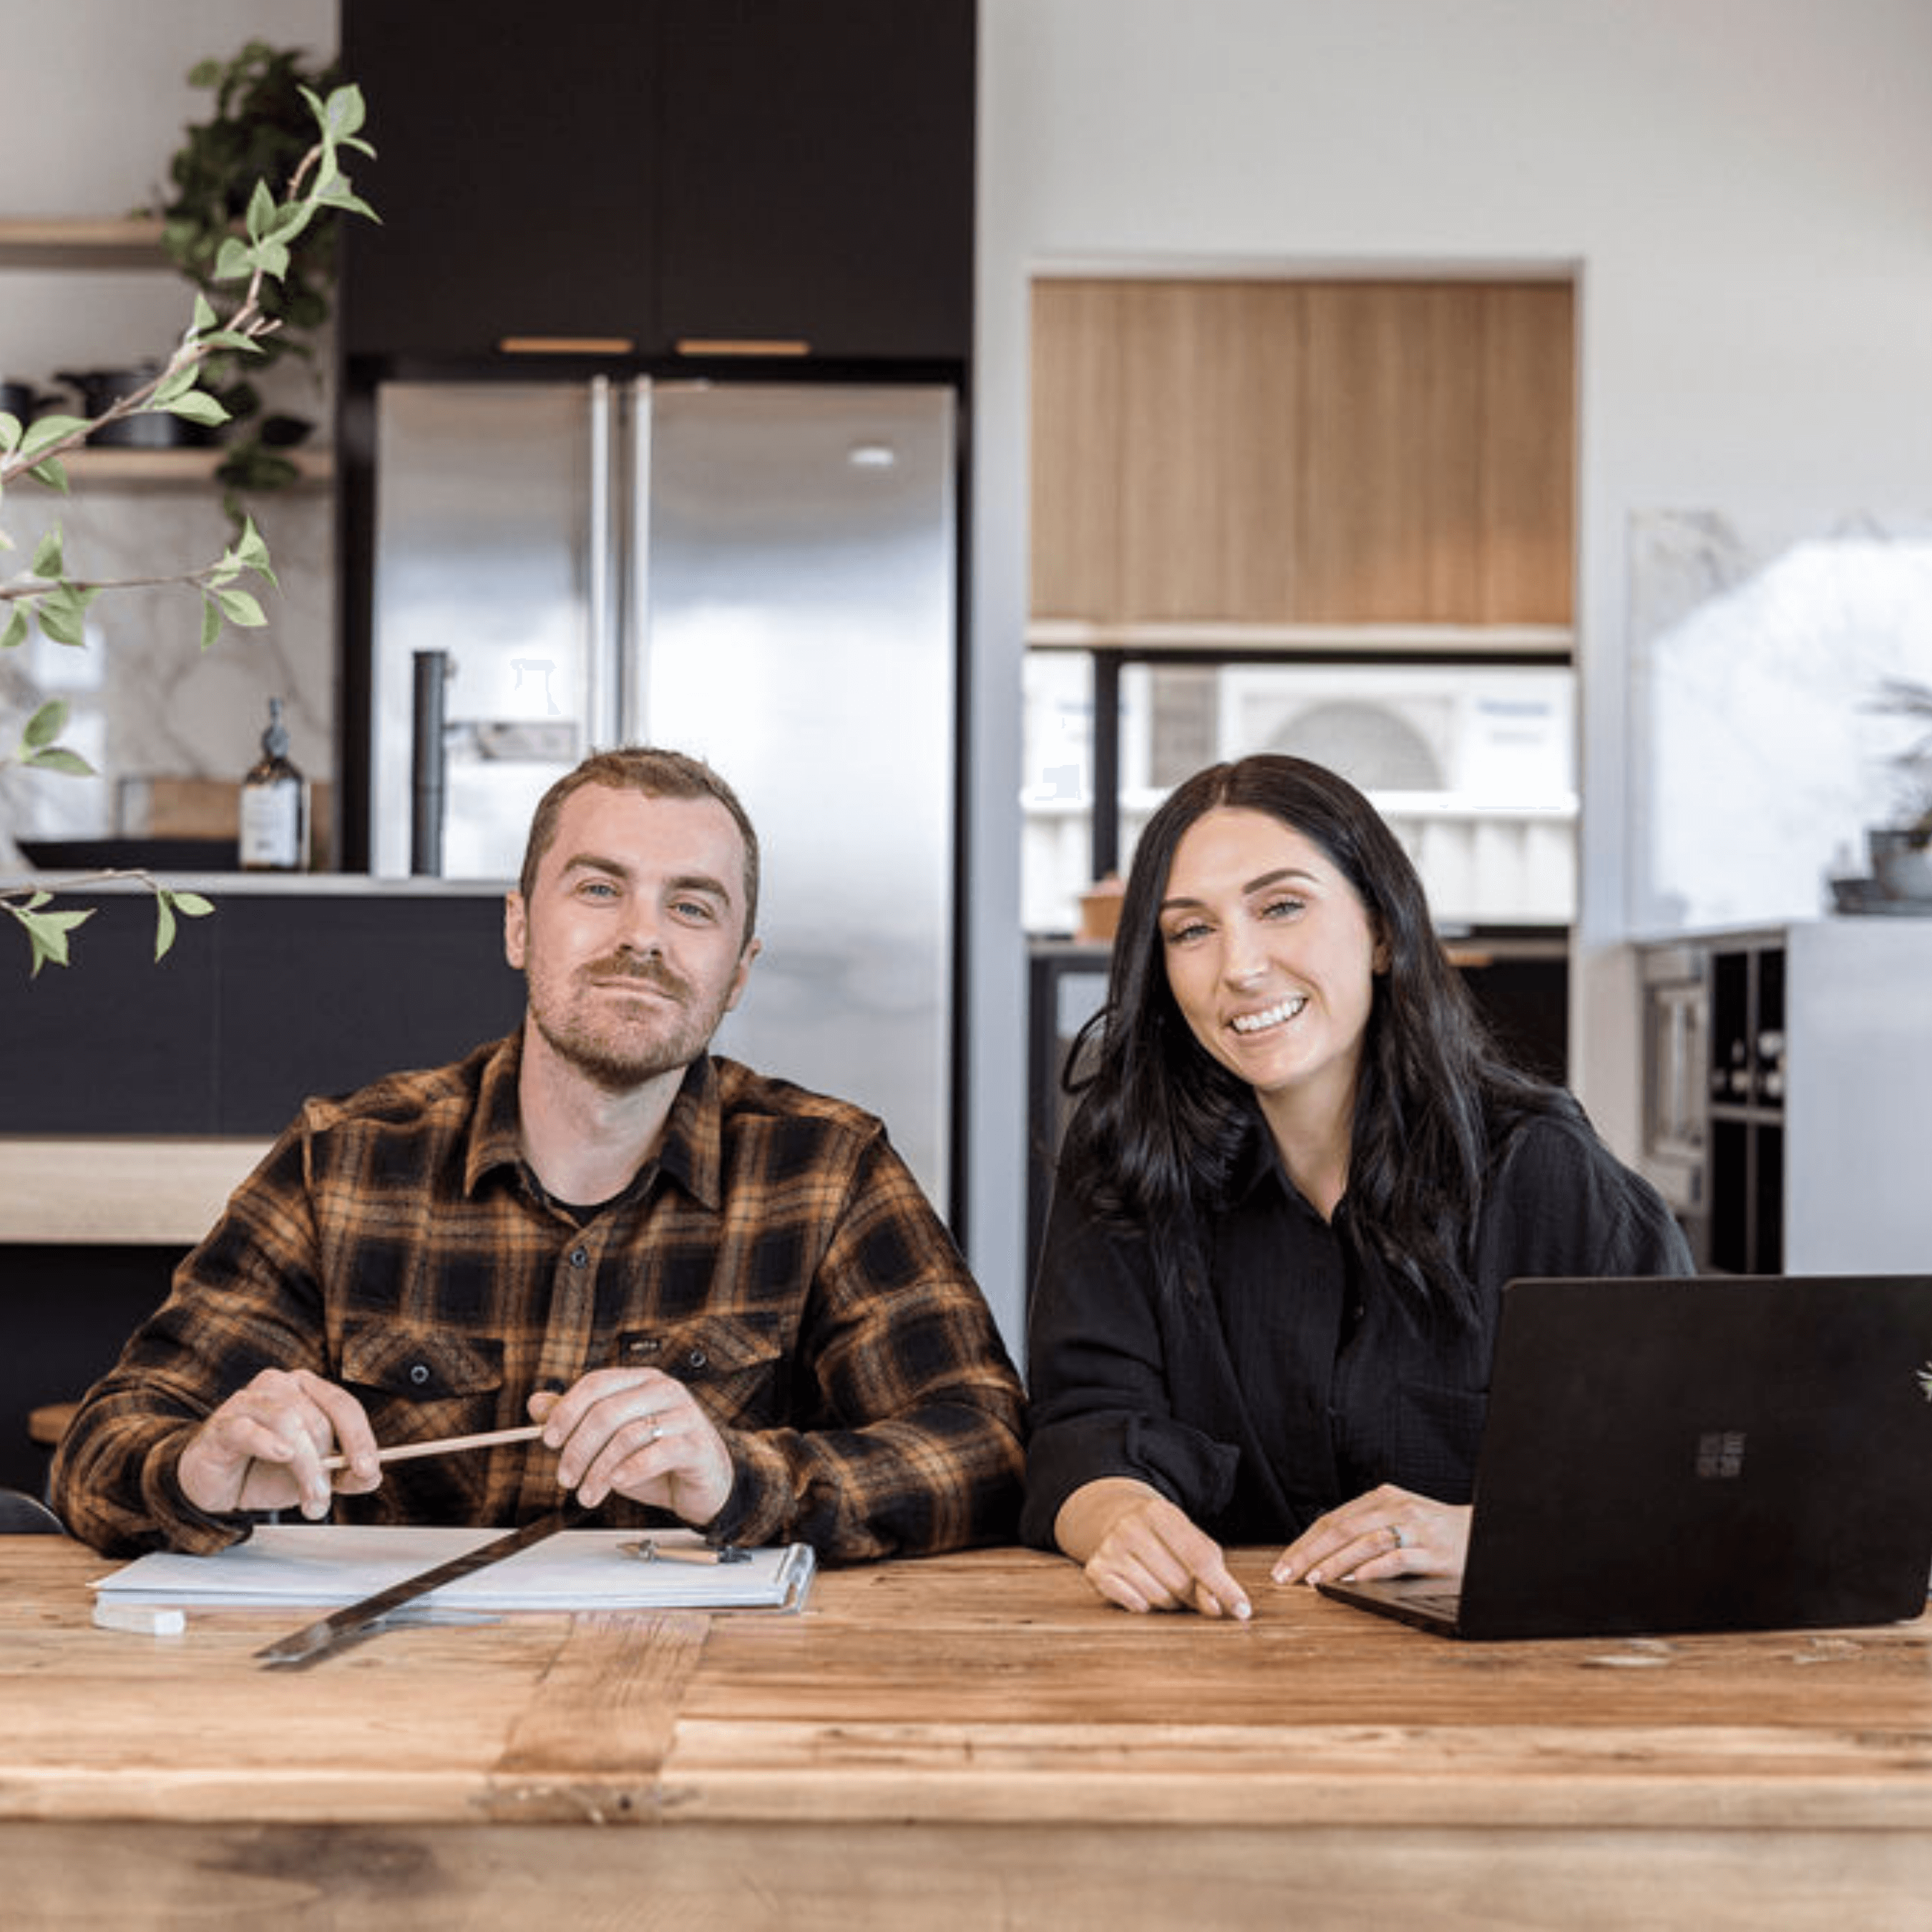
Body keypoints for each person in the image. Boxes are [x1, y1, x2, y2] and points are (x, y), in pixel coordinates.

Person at [52, 746, 1025, 1561]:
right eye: (599, 889)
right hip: (381, 1703)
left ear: (738, 973)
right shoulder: (345, 1164)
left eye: (692, 908)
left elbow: (986, 1449)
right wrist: (198, 1466)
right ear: (520, 925)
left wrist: (741, 1478)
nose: (642, 937)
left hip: (709, 1711)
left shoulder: (826, 1172)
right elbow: (103, 1449)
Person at [1022, 754, 1693, 1620]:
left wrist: (1487, 1531)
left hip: (1496, 1702)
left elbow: (1687, 1472)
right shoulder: (1127, 1161)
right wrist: (1121, 1515)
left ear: (1382, 931)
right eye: (1192, 931)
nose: (1240, 966)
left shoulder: (1546, 1173)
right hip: (1210, 1676)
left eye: (1283, 908)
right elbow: (1079, 1426)